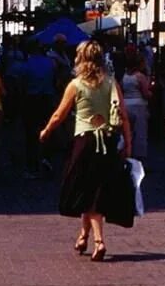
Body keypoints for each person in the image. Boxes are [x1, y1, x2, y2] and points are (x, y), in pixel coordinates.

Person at [40, 40, 134, 262]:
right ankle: (83, 236)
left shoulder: (76, 84)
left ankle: (99, 241)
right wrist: (128, 144)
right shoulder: (111, 83)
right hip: (109, 141)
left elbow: (59, 115)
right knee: (93, 190)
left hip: (85, 142)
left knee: (87, 190)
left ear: (80, 58)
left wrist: (46, 131)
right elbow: (124, 116)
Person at [18, 41, 59, 178]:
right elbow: (56, 80)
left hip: (31, 100)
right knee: (47, 130)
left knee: (30, 134)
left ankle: (32, 166)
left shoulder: (26, 65)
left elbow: (22, 85)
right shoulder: (51, 63)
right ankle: (46, 159)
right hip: (47, 99)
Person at [120, 47, 153, 162]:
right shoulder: (140, 76)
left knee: (127, 132)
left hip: (126, 104)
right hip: (138, 105)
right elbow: (145, 93)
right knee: (140, 132)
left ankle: (125, 153)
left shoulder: (125, 76)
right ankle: (139, 156)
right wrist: (151, 93)